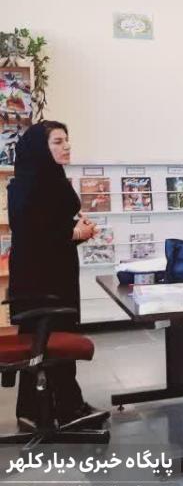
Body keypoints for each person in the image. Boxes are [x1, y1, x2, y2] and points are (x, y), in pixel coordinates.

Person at [6, 121, 109, 431]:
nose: (66, 146)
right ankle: (66, 410)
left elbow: (50, 228)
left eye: (67, 140)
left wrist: (77, 231)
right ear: (41, 148)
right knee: (51, 342)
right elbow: (36, 235)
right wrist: (74, 232)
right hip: (42, 283)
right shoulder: (33, 185)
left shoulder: (43, 179)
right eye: (58, 141)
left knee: (44, 344)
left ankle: (35, 411)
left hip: (50, 275)